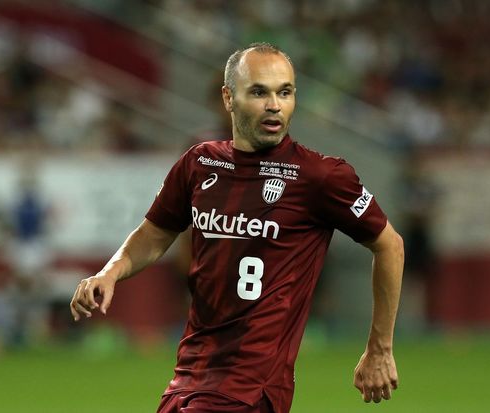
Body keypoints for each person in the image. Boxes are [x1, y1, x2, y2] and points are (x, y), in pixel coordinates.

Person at [70, 42, 404, 412]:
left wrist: (380, 349)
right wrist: (110, 272)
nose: (274, 105)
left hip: (249, 389)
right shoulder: (199, 163)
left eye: (285, 92)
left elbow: (389, 244)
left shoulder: (321, 176)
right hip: (188, 378)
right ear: (229, 98)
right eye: (259, 92)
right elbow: (155, 232)